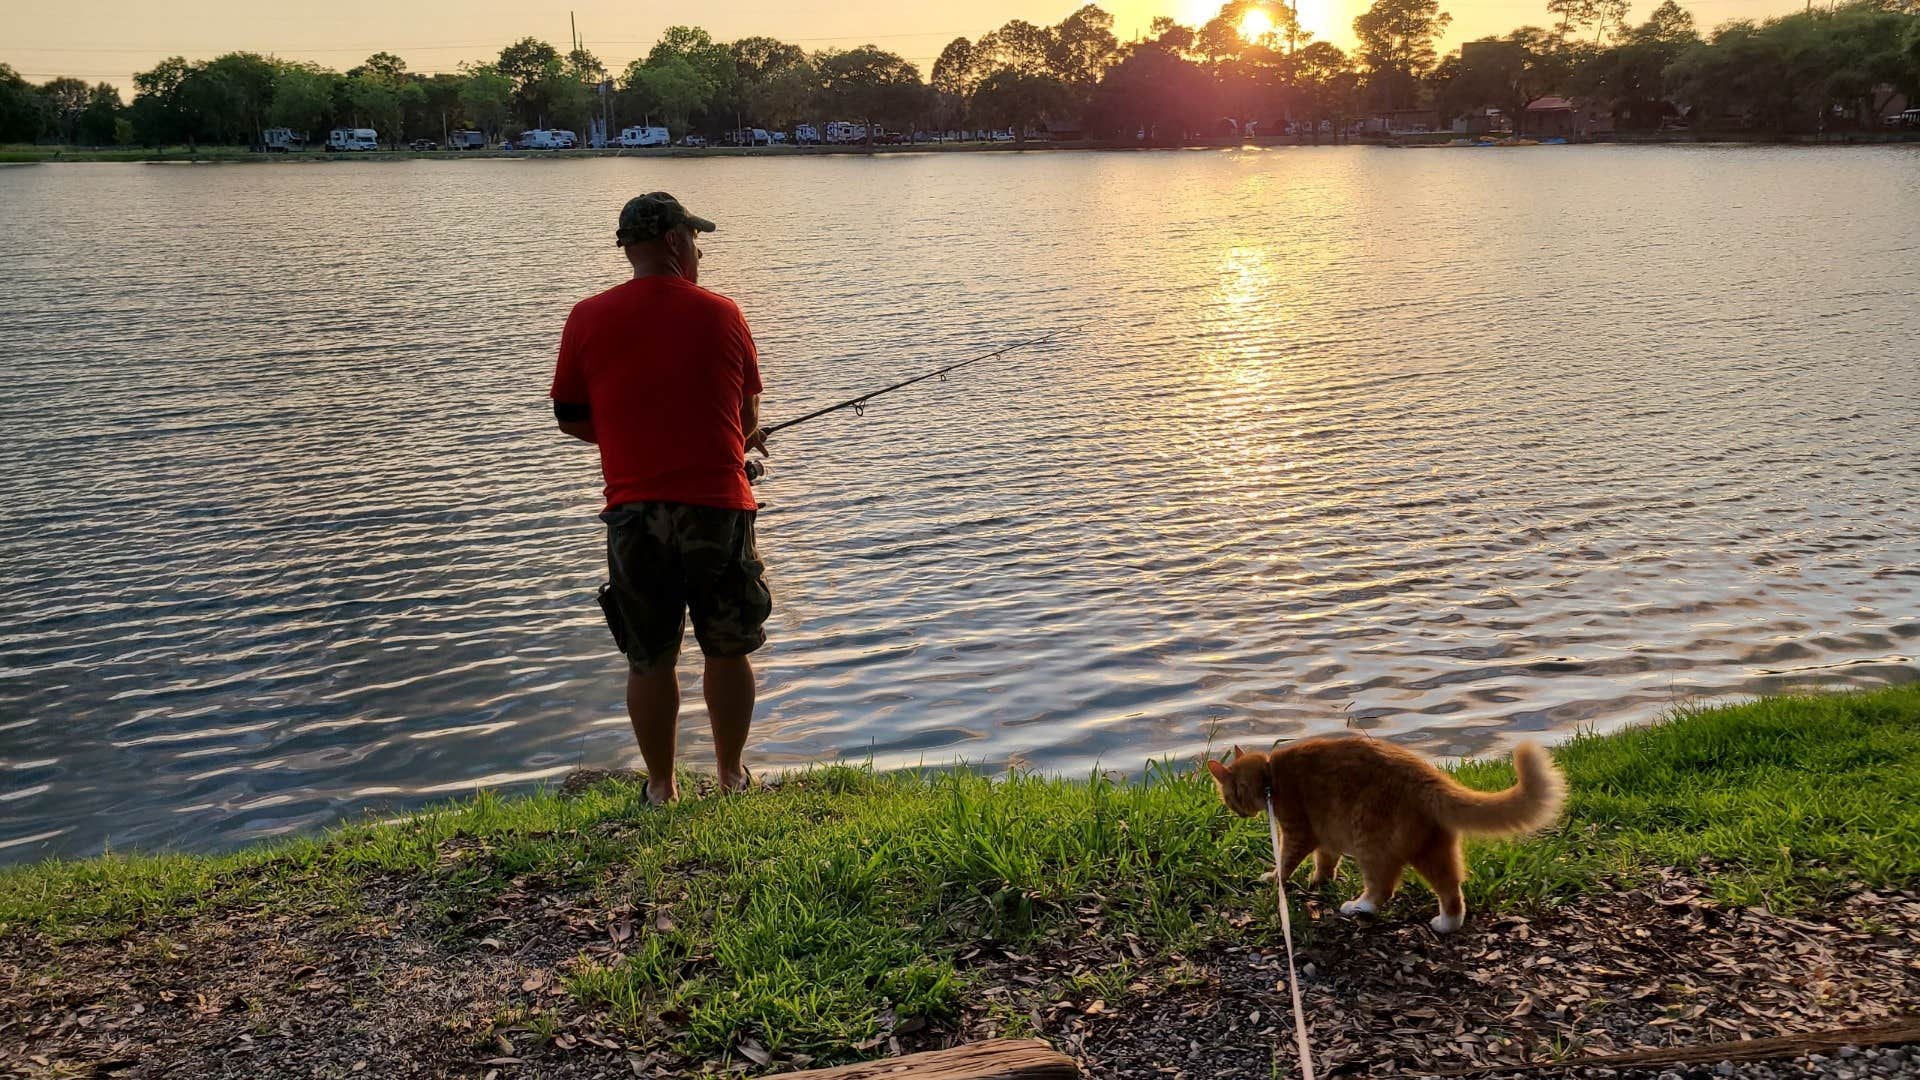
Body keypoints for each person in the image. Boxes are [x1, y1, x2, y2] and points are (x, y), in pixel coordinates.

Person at [550, 192, 771, 806]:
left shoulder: (587, 317)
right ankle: (730, 776)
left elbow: (571, 417)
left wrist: (627, 436)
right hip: (718, 506)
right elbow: (747, 415)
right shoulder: (723, 314)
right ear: (675, 241)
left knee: (649, 656)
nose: (699, 250)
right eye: (695, 240)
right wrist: (738, 441)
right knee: (726, 646)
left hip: (633, 511)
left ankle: (660, 786)